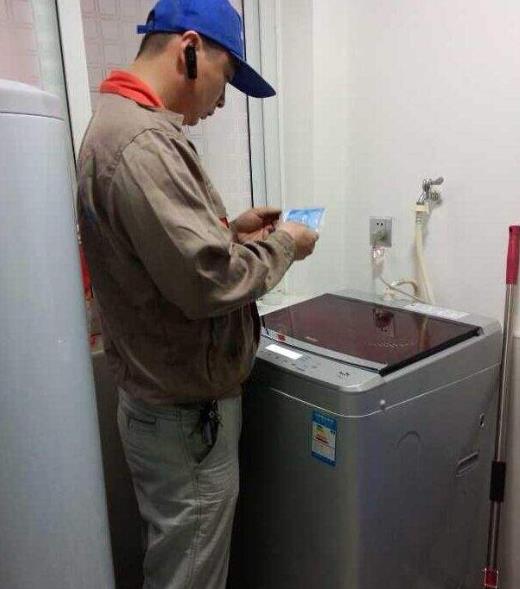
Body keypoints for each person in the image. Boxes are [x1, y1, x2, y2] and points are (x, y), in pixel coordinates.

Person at [77, 0, 319, 587]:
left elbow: (158, 260)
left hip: (164, 409)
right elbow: (210, 283)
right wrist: (285, 243)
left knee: (177, 561)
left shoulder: (117, 122)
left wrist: (228, 232)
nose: (223, 100)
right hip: (186, 422)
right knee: (189, 574)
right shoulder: (143, 143)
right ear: (189, 49)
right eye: (226, 76)